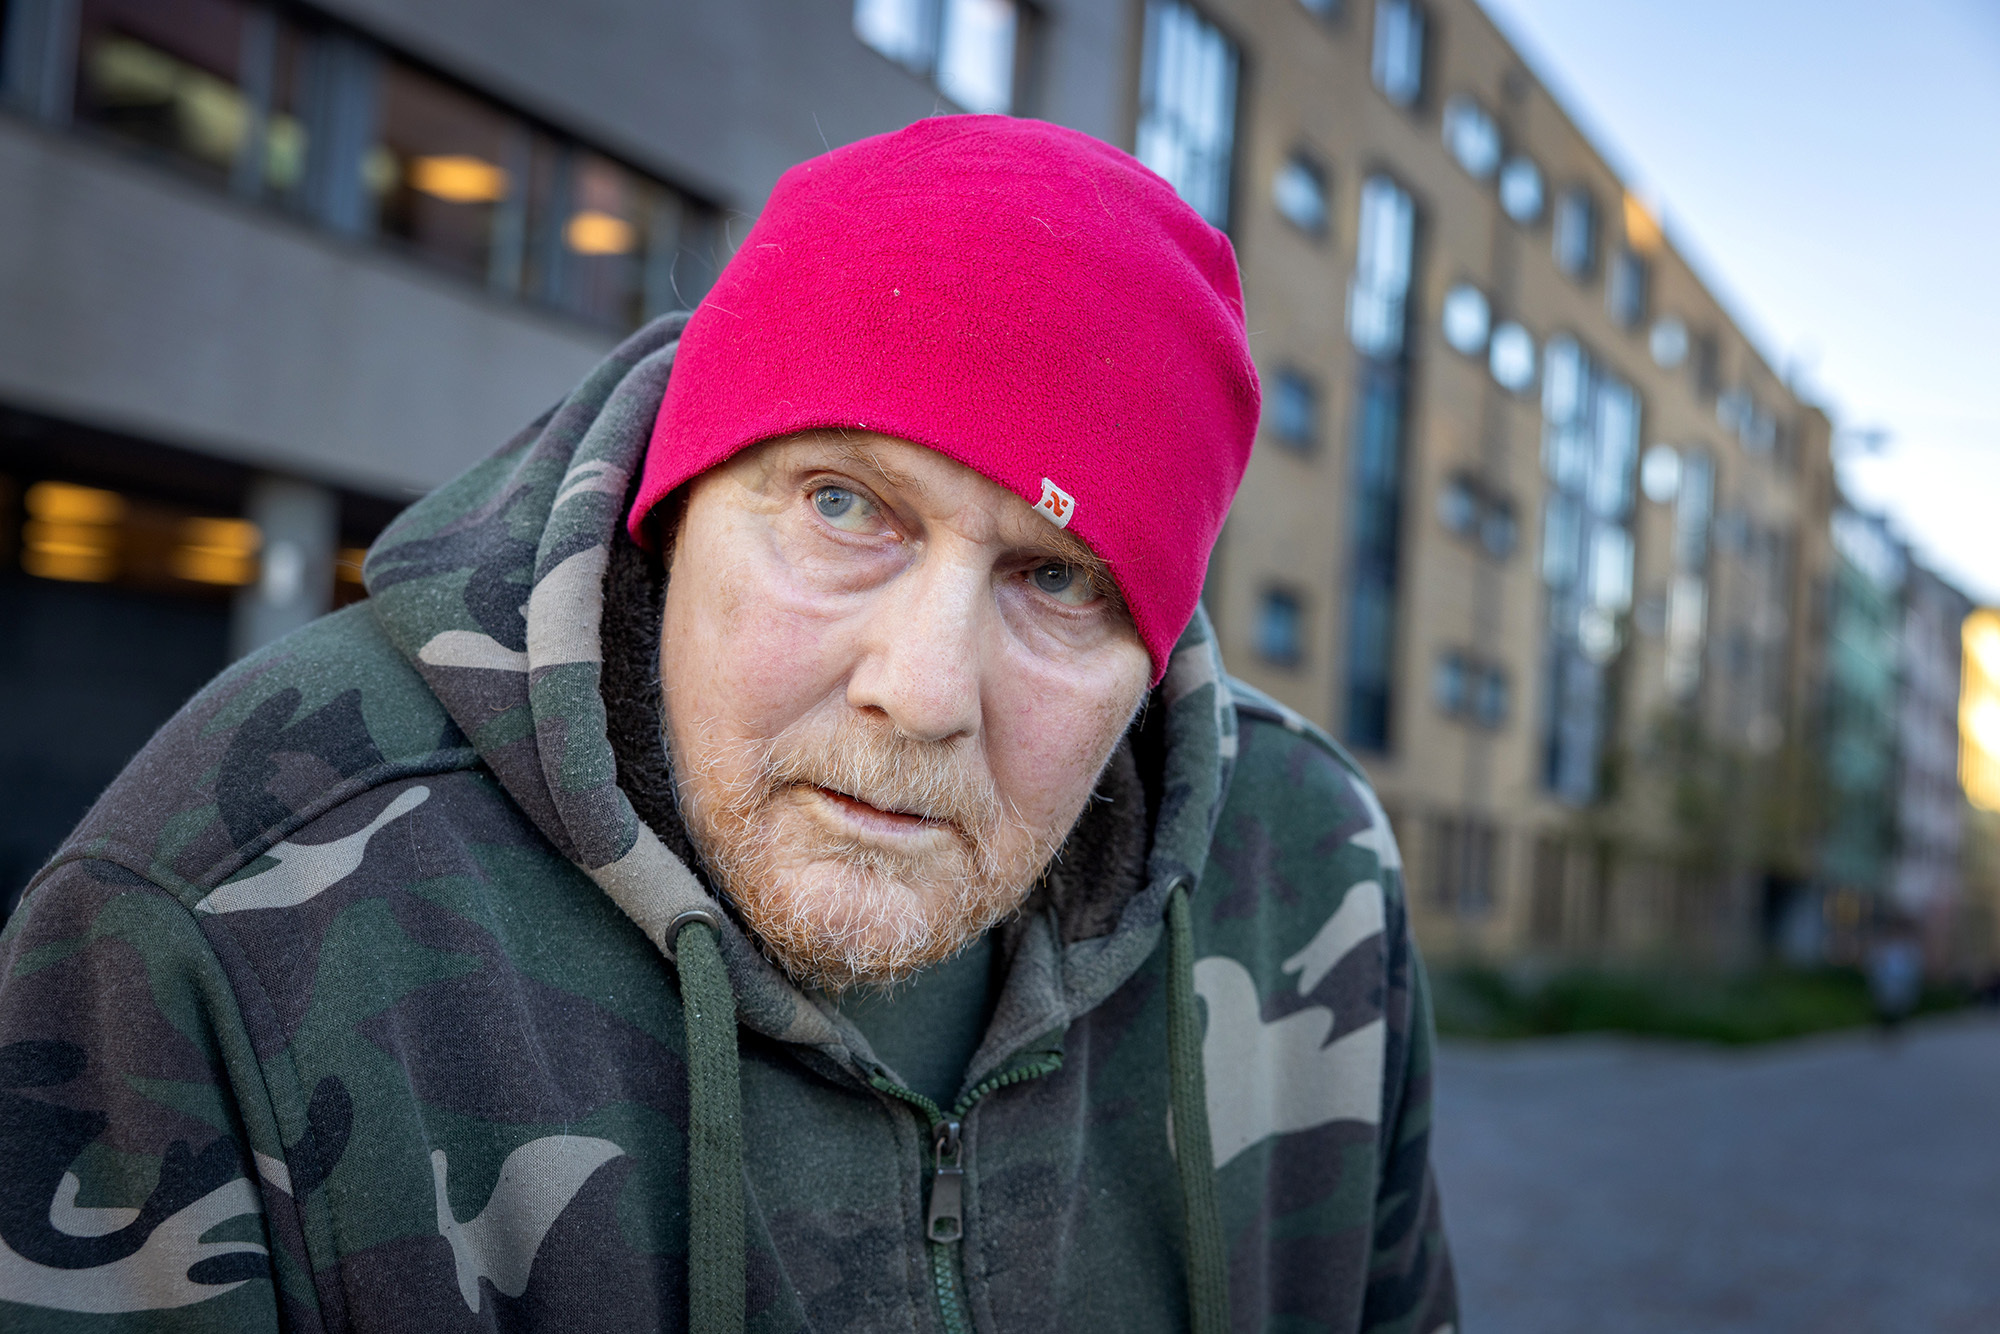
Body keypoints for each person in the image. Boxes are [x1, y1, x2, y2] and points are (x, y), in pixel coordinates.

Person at [0, 116, 1455, 1332]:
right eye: (845, 507)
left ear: (1150, 649)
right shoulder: (216, 912)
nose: (922, 688)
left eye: (1058, 578)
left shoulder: (1307, 878)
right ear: (679, 505)